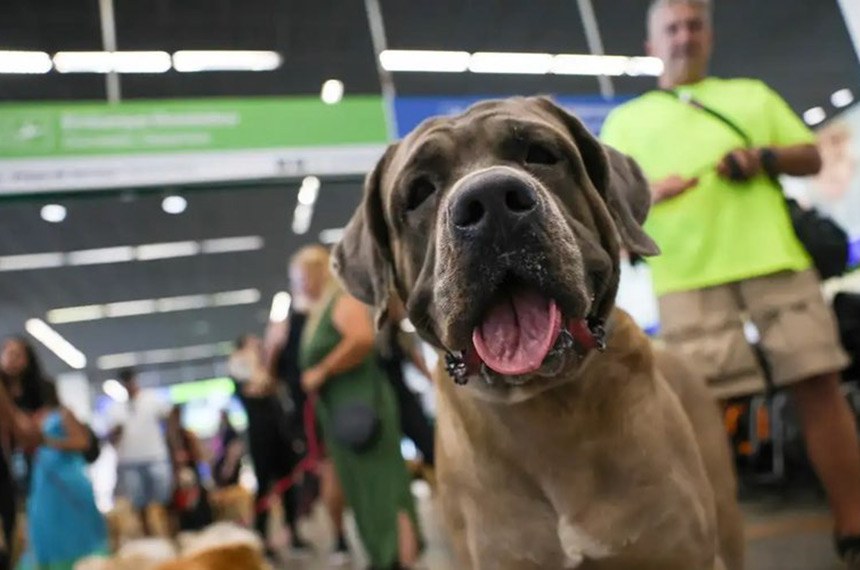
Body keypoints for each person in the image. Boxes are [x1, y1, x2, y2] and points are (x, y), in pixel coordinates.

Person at [600, 0, 860, 565]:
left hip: (773, 263)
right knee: (701, 414)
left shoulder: (751, 95)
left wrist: (761, 157)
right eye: (672, 27)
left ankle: (853, 522)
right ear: (652, 46)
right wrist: (649, 194)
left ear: (709, 37)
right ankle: (715, 540)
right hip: (686, 279)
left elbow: (810, 157)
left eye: (694, 25)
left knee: (820, 388)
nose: (684, 36)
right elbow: (609, 207)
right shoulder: (625, 124)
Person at [294, 244, 420, 570]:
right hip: (340, 410)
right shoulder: (319, 310)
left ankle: (400, 558)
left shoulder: (341, 300)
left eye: (301, 278)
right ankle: (385, 556)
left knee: (384, 484)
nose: (299, 285)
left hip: (363, 404)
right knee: (362, 488)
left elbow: (362, 339)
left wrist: (322, 371)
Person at [229, 334, 311, 559]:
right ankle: (261, 537)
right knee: (263, 487)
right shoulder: (242, 368)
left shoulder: (270, 367)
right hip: (260, 436)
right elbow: (255, 386)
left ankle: (293, 532)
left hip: (280, 434)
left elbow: (274, 381)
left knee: (289, 486)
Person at [16, 382, 108, 570]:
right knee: (47, 523)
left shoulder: (63, 413)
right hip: (44, 477)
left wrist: (47, 440)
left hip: (66, 477)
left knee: (73, 525)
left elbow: (82, 442)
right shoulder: (33, 417)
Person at [0, 338, 48, 570]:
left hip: (25, 466)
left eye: (16, 354)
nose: (10, 358)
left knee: (14, 522)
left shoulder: (39, 390)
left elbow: (28, 434)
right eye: (7, 353)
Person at [107, 368, 172, 536]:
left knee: (163, 501)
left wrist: (176, 449)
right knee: (139, 504)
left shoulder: (152, 400)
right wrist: (116, 433)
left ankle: (169, 533)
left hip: (155, 457)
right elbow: (111, 439)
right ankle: (149, 536)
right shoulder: (116, 408)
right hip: (129, 461)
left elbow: (171, 423)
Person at [377, 296, 435, 469]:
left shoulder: (400, 333)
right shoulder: (380, 335)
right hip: (383, 397)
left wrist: (433, 380)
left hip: (401, 395)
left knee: (424, 437)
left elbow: (416, 359)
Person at [165, 405, 213, 532]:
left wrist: (187, 457)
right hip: (178, 479)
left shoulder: (188, 435)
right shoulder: (168, 439)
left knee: (197, 504)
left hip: (192, 476)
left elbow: (200, 455)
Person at [212, 410, 243, 489]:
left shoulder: (230, 432)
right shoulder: (221, 430)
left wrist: (229, 466)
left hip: (228, 465)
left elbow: (235, 448)